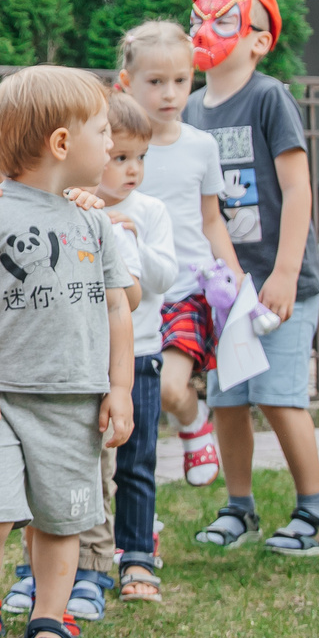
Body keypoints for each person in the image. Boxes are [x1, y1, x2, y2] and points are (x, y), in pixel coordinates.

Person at [0, 69, 137, 638]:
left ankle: (49, 620)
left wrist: (119, 388)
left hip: (74, 403)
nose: (111, 143)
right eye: (102, 132)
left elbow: (118, 306)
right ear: (61, 144)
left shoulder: (93, 220)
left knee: (61, 519)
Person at [180, 0, 319, 556]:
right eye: (197, 19)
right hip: (225, 287)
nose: (204, 29)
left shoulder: (269, 98)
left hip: (280, 283)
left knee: (277, 394)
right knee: (228, 398)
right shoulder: (191, 109)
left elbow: (298, 190)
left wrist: (286, 274)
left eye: (222, 19)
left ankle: (315, 510)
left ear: (258, 40)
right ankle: (239, 507)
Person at [118, 19, 237, 489]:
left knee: (170, 387)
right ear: (127, 83)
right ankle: (139, 512)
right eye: (155, 82)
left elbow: (212, 220)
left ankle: (192, 419)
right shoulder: (116, 147)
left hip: (186, 286)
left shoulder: (201, 147)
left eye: (181, 81)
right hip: (131, 292)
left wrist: (236, 277)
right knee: (131, 401)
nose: (170, 93)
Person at [88, 91, 178, 601]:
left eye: (140, 158)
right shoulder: (78, 206)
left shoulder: (151, 211)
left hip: (141, 353)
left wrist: (135, 235)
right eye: (120, 158)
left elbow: (165, 277)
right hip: (89, 359)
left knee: (137, 458)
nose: (132, 170)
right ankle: (94, 549)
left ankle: (138, 554)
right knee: (91, 458)